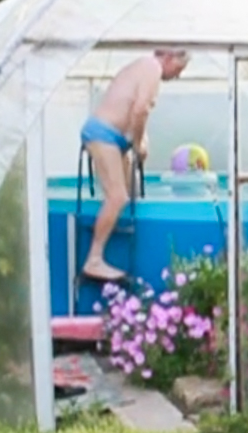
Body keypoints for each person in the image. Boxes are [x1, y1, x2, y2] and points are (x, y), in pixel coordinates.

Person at [80, 49, 190, 281]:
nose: (177, 76)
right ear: (169, 57)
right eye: (179, 70)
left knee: (132, 193)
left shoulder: (142, 66)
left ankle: (118, 246)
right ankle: (94, 259)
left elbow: (134, 110)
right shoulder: (152, 67)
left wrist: (139, 140)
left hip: (115, 136)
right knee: (117, 197)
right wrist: (138, 143)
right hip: (104, 134)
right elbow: (141, 109)